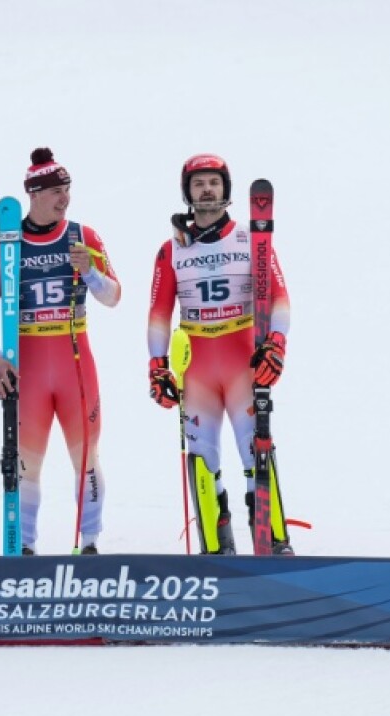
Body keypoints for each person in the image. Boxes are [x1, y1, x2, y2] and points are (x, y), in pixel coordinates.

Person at [0, 148, 121, 555]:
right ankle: (25, 547)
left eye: (67, 189)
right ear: (34, 194)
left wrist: (89, 271)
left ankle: (89, 543)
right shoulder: (3, 244)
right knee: (27, 466)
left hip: (76, 366)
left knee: (87, 459)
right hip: (30, 371)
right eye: (56, 191)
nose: (65, 198)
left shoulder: (84, 236)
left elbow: (114, 297)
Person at [146, 153, 293, 555]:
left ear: (226, 189)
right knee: (202, 458)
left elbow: (280, 299)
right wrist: (158, 367)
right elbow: (158, 314)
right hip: (197, 369)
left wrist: (276, 344)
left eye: (214, 182)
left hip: (243, 360)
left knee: (257, 449)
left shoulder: (251, 240)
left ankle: (275, 542)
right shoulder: (171, 250)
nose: (207, 190)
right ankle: (216, 549)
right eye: (199, 184)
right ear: (187, 193)